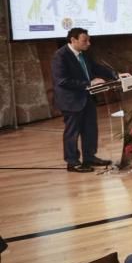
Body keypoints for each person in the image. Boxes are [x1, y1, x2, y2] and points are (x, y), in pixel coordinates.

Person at [51, 28, 117, 173]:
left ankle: (89, 157)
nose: (88, 43)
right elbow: (62, 81)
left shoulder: (83, 54)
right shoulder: (60, 56)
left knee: (90, 129)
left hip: (87, 98)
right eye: (84, 41)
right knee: (72, 132)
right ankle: (72, 162)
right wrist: (89, 84)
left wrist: (115, 75)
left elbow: (96, 67)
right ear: (73, 40)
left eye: (88, 40)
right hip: (71, 101)